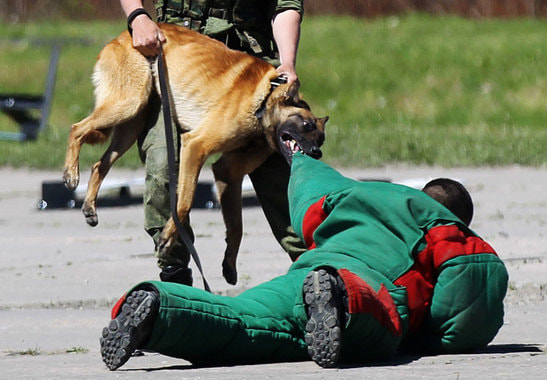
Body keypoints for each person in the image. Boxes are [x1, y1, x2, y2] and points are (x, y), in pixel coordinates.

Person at [100, 152, 509, 370]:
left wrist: (299, 150)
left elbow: (311, 186)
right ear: (458, 215)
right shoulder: (446, 227)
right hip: (367, 285)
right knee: (374, 321)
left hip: (304, 271)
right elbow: (471, 299)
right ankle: (336, 294)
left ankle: (159, 308)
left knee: (242, 322)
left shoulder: (358, 193)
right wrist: (427, 338)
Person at [119, 0, 307, 286]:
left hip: (247, 68)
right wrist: (137, 16)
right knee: (163, 168)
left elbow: (285, 5)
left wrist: (287, 62)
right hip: (178, 61)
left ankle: (320, 274)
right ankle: (176, 280)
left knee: (287, 183)